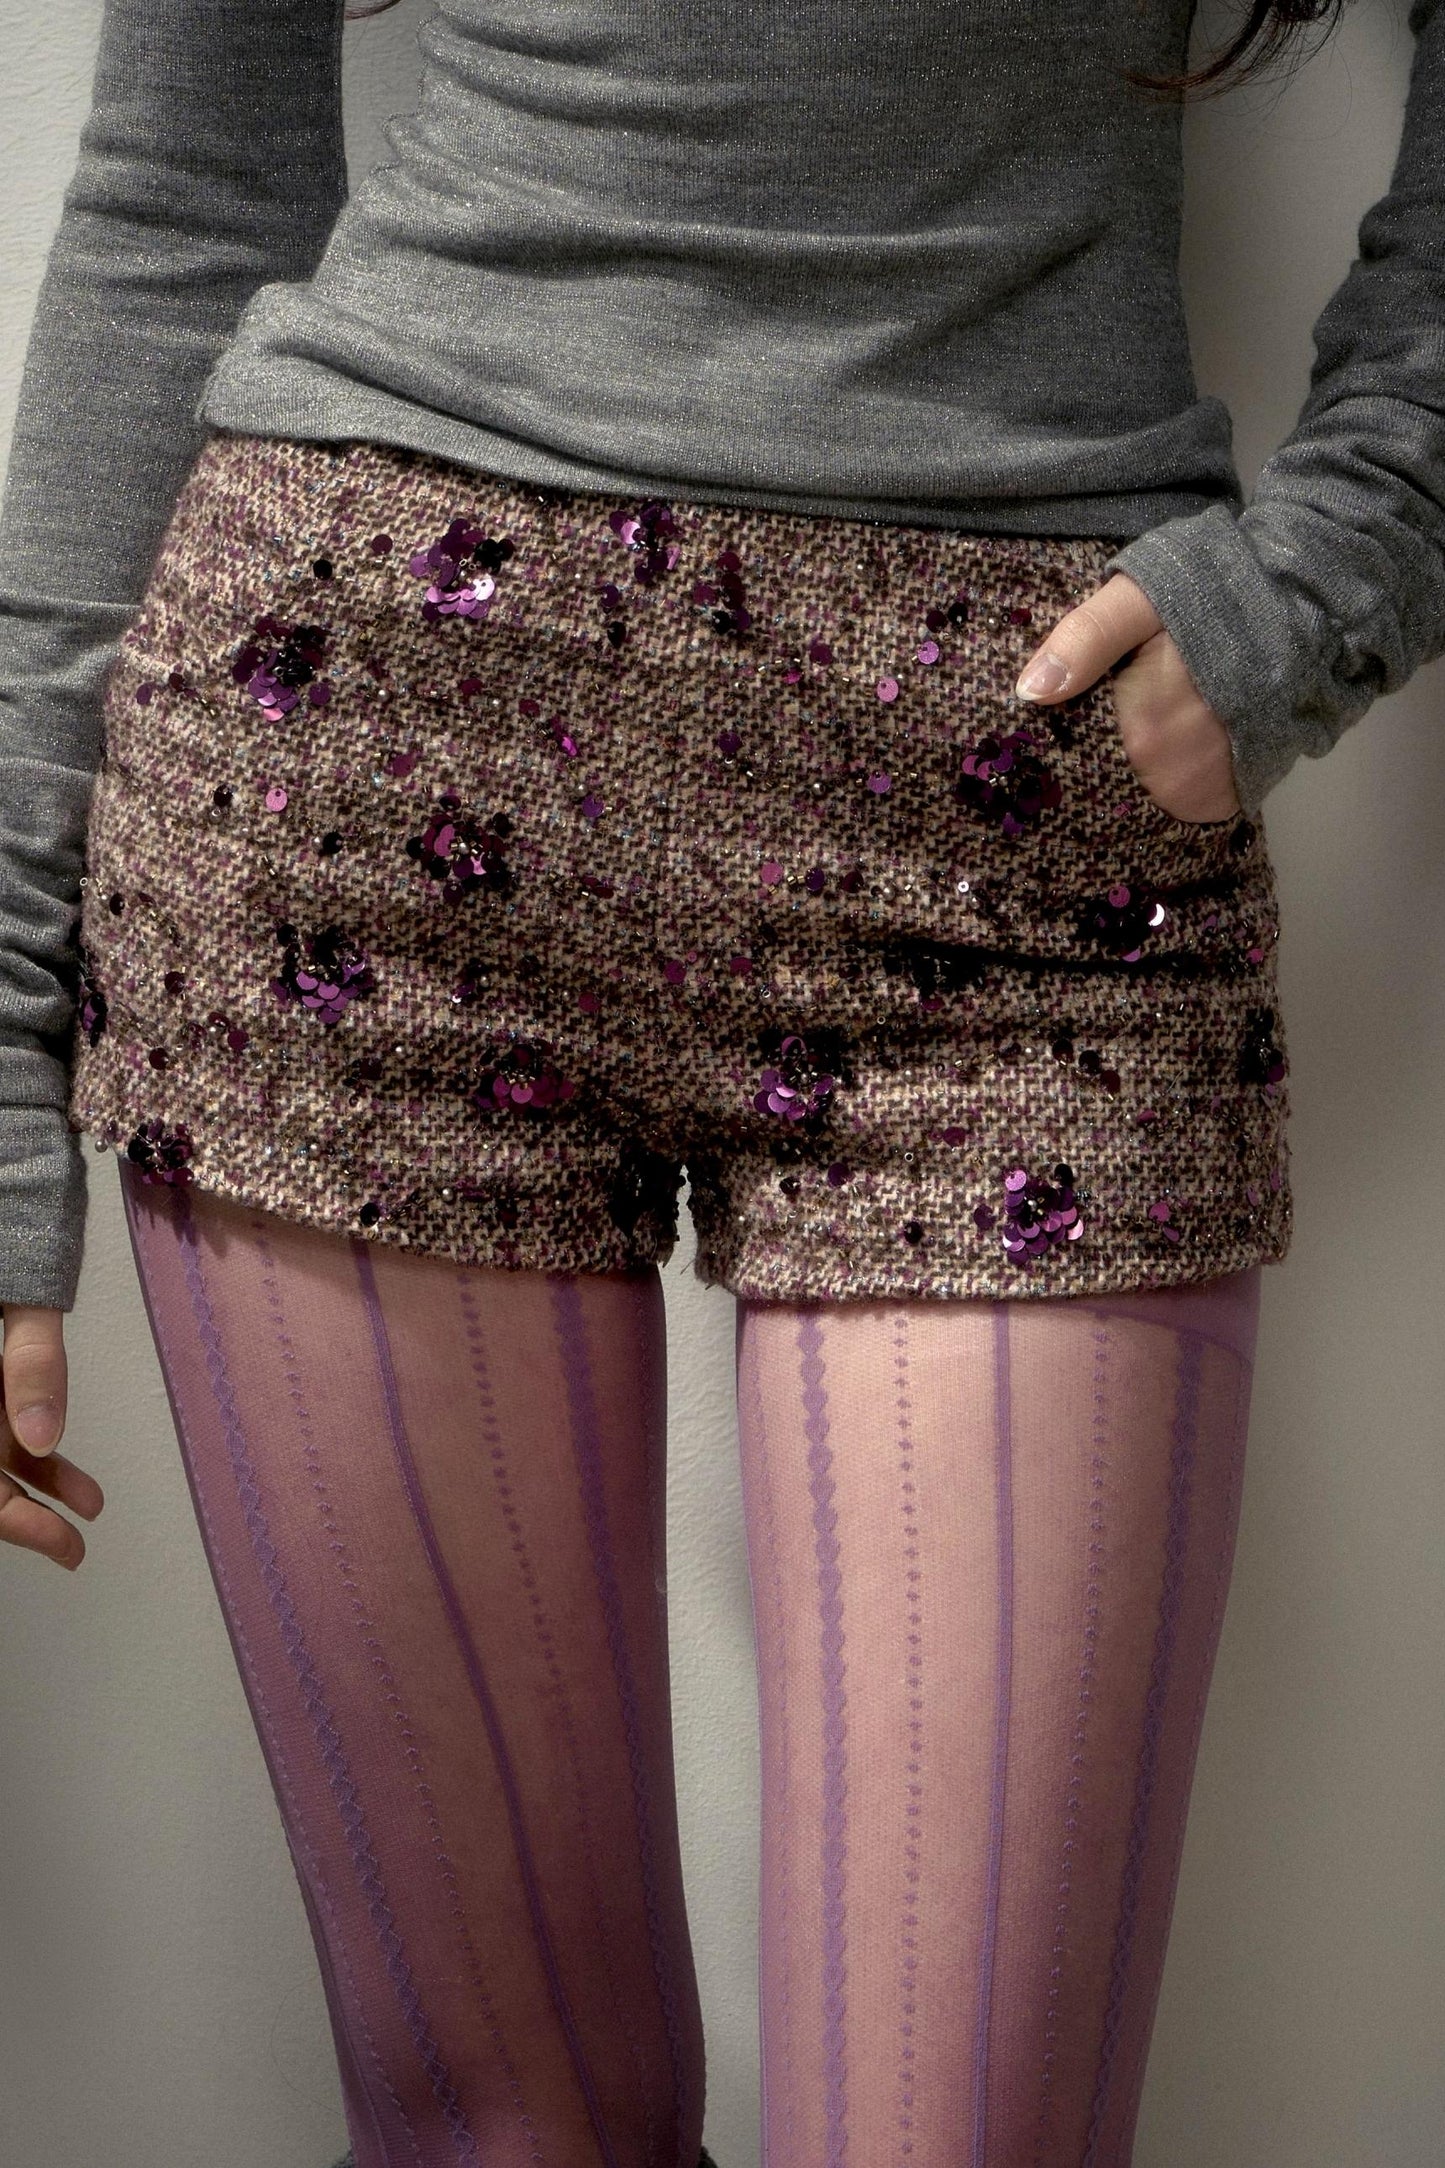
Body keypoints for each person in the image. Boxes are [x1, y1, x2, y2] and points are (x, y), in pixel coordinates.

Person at [0, 0, 1440, 2161]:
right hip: (360, 773)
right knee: (506, 2131)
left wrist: (1339, 560)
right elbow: (178, 195)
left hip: (1015, 824)